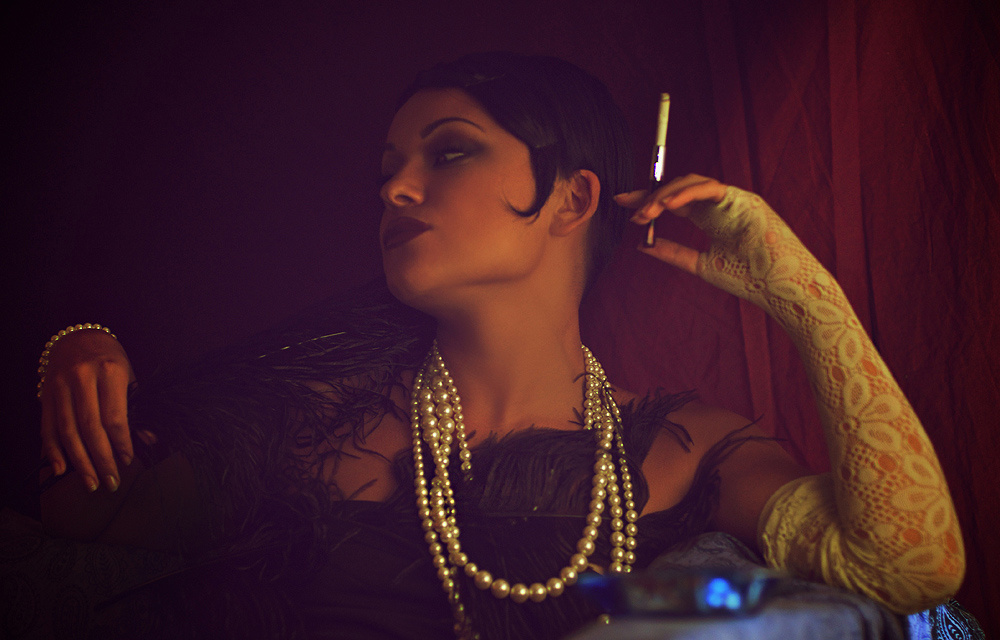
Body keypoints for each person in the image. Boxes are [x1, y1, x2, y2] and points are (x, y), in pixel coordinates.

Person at [30, 52, 966, 639]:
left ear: (573, 198)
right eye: (388, 167)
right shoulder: (316, 428)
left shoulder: (683, 452)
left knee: (818, 611)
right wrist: (73, 348)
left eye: (448, 151)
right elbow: (84, 514)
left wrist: (803, 295)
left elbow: (908, 573)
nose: (396, 189)